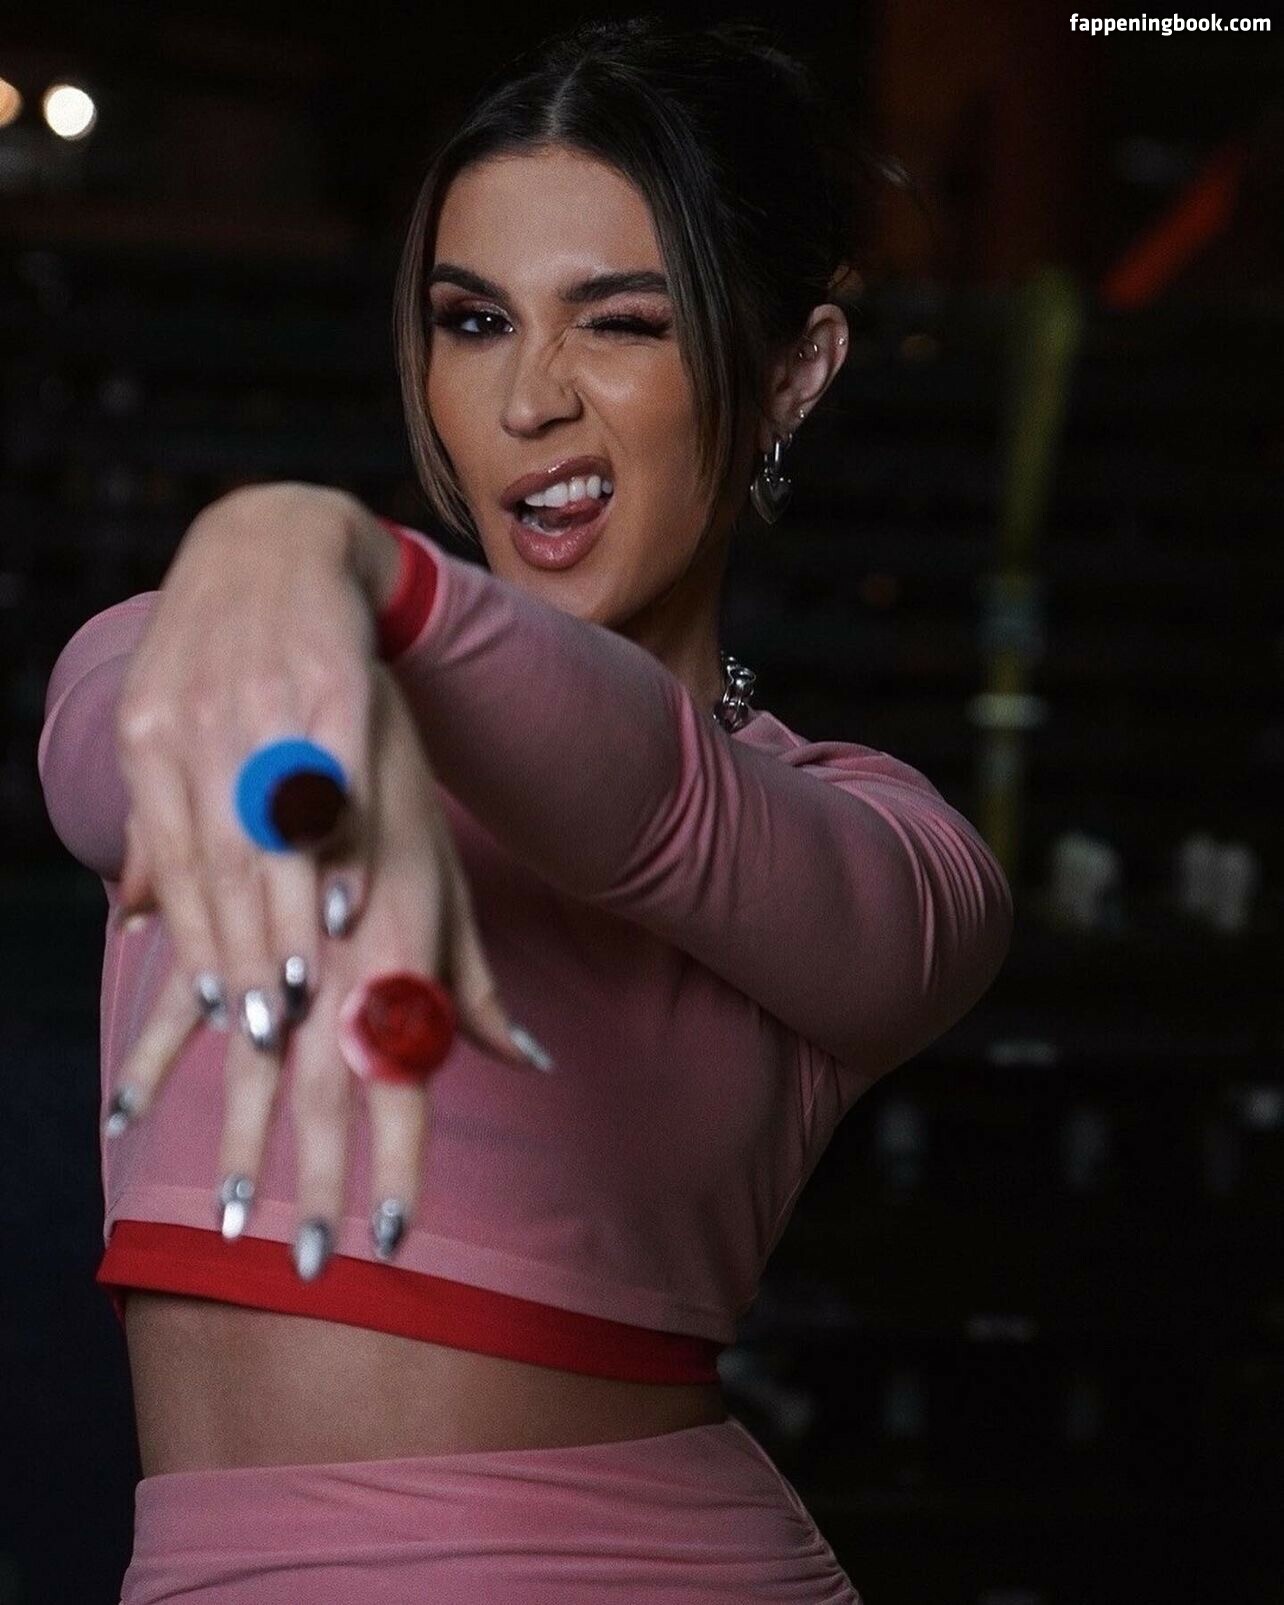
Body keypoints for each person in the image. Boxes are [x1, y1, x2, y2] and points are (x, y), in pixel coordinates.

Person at [38, 16, 1013, 1603]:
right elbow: (120, 766)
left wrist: (353, 562)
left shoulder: (885, 848)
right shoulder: (219, 652)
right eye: (474, 320)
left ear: (792, 373)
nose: (528, 400)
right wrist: (292, 625)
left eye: (618, 322)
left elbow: (650, 796)